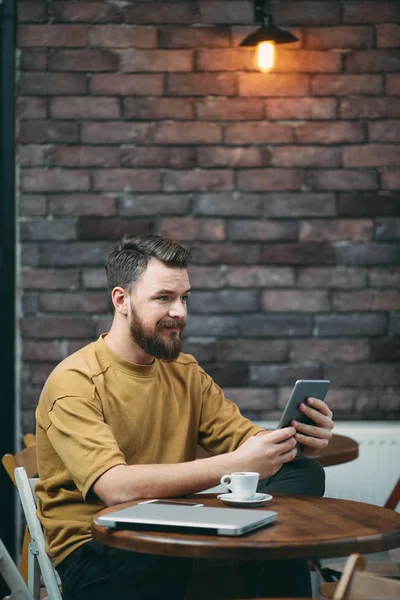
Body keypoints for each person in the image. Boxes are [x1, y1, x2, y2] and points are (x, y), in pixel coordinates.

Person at [35, 233, 334, 600]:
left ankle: (251, 555)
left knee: (302, 473)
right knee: (217, 551)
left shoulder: (184, 371)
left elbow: (246, 441)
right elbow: (114, 488)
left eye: (184, 297)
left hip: (174, 525)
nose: (180, 312)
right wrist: (238, 463)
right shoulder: (75, 381)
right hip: (99, 546)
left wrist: (294, 440)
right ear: (121, 300)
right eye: (164, 298)